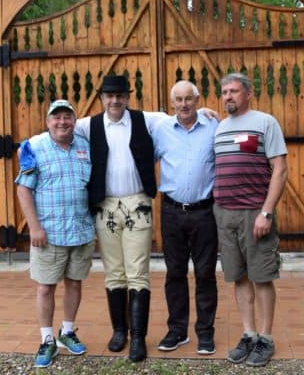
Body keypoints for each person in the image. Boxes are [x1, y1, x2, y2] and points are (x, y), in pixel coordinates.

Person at [74, 74, 168, 362]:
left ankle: (138, 337)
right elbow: (57, 127)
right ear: (102, 98)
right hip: (105, 206)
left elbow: (179, 119)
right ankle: (119, 332)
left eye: (120, 95)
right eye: (109, 96)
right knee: (114, 271)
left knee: (137, 270)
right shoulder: (87, 125)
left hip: (137, 202)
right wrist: (30, 145)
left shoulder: (146, 120)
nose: (115, 100)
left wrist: (205, 113)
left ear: (128, 97)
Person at [213, 72, 288, 368]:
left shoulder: (265, 123)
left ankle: (266, 338)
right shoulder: (219, 128)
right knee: (239, 276)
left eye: (233, 91)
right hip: (225, 213)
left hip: (255, 213)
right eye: (224, 92)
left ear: (248, 93)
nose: (228, 96)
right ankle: (249, 333)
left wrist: (266, 212)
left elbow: (280, 169)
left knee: (262, 276)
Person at [15, 99, 96, 369]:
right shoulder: (34, 147)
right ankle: (47, 339)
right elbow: (23, 189)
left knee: (75, 283)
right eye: (56, 117)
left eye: (67, 117)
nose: (62, 122)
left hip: (81, 230)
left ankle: (67, 332)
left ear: (74, 120)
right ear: (48, 121)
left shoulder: (86, 145)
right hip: (48, 233)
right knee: (45, 287)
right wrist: (34, 227)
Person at [151, 80, 219, 356]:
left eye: (188, 99)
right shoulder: (161, 130)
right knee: (175, 273)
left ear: (197, 100)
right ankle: (177, 331)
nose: (183, 104)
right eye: (178, 100)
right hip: (171, 212)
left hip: (205, 212)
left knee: (205, 273)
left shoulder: (213, 125)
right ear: (172, 103)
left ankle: (205, 333)